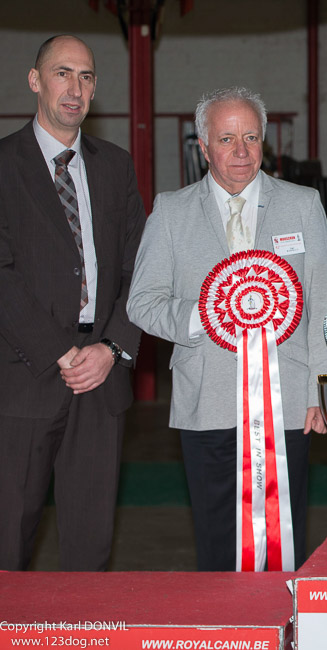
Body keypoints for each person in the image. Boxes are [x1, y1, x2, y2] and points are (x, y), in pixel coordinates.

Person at [127, 87, 327, 571]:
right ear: (203, 147)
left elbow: (325, 301)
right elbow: (142, 302)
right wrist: (206, 314)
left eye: (250, 137)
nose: (240, 151)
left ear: (264, 141)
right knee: (217, 545)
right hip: (207, 401)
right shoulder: (171, 210)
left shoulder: (304, 204)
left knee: (284, 540)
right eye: (226, 139)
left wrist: (320, 389)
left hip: (288, 405)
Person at [0, 35, 146, 571]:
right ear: (35, 80)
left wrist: (110, 347)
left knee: (90, 545)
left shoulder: (115, 166)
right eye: (63, 73)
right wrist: (61, 350)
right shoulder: (2, 165)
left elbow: (139, 270)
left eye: (86, 77)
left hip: (102, 376)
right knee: (7, 539)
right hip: (23, 376)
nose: (75, 88)